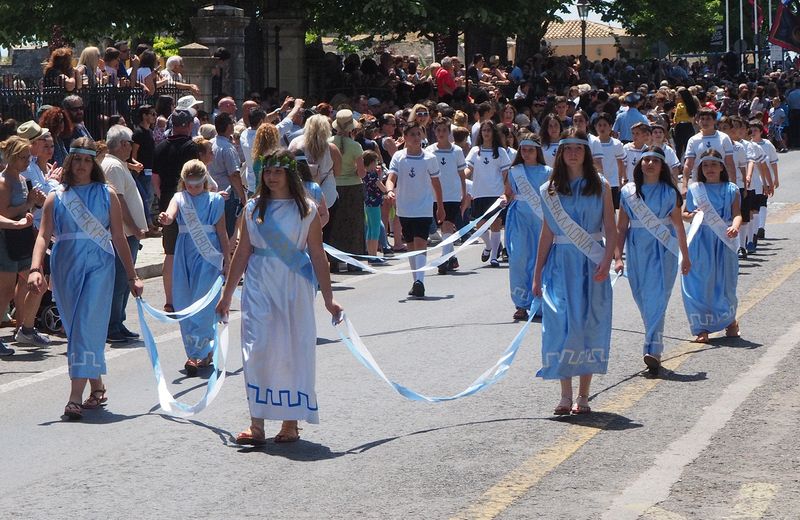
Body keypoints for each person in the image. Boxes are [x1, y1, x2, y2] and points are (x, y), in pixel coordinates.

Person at [215, 149, 342, 445]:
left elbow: (317, 254)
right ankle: (256, 424)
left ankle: (290, 423)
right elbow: (243, 251)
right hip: (259, 282)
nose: (271, 177)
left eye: (277, 171)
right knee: (256, 347)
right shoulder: (253, 208)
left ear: (289, 174)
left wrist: (328, 298)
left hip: (293, 285)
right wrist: (227, 294)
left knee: (292, 348)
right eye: (267, 172)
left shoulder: (306, 209)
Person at [28, 138, 143, 419]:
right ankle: (98, 385)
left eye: (87, 160)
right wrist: (35, 268)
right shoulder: (57, 196)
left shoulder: (107, 194)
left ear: (94, 164)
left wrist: (132, 276)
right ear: (70, 162)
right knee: (76, 327)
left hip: (99, 266)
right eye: (77, 160)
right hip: (66, 265)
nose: (81, 165)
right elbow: (44, 235)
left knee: (85, 325)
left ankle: (74, 397)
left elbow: (118, 236)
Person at [532, 128, 617, 416]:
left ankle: (583, 395)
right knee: (561, 324)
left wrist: (609, 258)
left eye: (578, 148)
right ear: (560, 153)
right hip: (560, 263)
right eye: (567, 148)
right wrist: (536, 273)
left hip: (591, 262)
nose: (572, 153)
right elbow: (546, 232)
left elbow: (610, 226)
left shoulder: (602, 185)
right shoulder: (550, 189)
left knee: (586, 324)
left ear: (586, 152)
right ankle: (565, 395)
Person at [614, 147, 691, 374]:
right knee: (642, 297)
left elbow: (678, 226)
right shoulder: (629, 191)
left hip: (664, 249)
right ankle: (652, 343)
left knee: (658, 296)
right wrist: (618, 257)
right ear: (639, 164)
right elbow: (621, 227)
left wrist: (685, 256)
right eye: (645, 160)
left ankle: (653, 349)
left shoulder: (669, 192)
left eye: (655, 161)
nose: (649, 164)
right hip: (637, 249)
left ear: (662, 166)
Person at [157, 160, 229, 376]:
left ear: (205, 181)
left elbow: (222, 233)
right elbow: (170, 214)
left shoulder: (215, 200)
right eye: (189, 185)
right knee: (184, 303)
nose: (193, 189)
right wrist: (166, 218)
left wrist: (228, 261)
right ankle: (200, 351)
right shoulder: (180, 197)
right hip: (184, 255)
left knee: (203, 303)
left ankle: (195, 355)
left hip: (208, 257)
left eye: (197, 185)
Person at [681, 149, 741, 344]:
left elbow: (737, 213)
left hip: (724, 239)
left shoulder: (731, 189)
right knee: (699, 282)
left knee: (725, 283)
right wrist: (692, 215)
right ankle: (701, 328)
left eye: (714, 164)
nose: (709, 168)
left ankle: (730, 321)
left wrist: (735, 225)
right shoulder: (695, 188)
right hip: (701, 240)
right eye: (705, 165)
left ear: (722, 167)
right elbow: (685, 214)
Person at [385, 121, 445, 298]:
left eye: (419, 134)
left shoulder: (429, 158)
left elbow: (436, 184)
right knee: (411, 245)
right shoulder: (398, 156)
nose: (416, 138)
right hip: (404, 208)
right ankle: (416, 280)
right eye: (412, 134)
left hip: (424, 207)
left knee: (421, 242)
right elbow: (391, 178)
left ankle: (420, 281)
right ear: (405, 137)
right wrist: (389, 190)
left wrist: (440, 206)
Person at [0, 137, 47, 356]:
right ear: (11, 156)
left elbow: (24, 212)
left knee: (38, 284)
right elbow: (4, 213)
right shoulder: (4, 182)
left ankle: (26, 328)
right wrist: (28, 204)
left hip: (22, 239)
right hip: (6, 241)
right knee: (5, 292)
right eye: (24, 157)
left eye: (29, 157)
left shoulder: (20, 178)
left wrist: (35, 203)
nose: (28, 161)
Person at [102, 125, 148, 343]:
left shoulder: (119, 165)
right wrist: (135, 226)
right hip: (124, 234)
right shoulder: (113, 166)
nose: (132, 147)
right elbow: (118, 200)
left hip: (129, 234)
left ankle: (118, 322)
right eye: (130, 143)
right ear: (122, 144)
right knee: (120, 280)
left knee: (123, 281)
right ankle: (112, 325)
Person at [152, 109, 200, 313]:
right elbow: (196, 175)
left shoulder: (161, 146)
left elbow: (155, 179)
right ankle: (192, 295)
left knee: (170, 253)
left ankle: (170, 301)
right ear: (189, 125)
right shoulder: (192, 147)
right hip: (189, 201)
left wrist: (164, 197)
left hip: (167, 202)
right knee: (194, 249)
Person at [505, 134, 550, 321]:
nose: (526, 153)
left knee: (538, 260)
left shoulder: (548, 171)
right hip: (519, 218)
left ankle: (538, 303)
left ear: (537, 151)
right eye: (523, 149)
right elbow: (508, 193)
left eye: (530, 150)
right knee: (518, 259)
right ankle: (521, 304)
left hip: (540, 220)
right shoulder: (515, 170)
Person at [465, 121, 510, 267]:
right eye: (483, 130)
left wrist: (506, 192)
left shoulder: (501, 152)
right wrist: (459, 177)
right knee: (480, 225)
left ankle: (493, 257)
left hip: (496, 193)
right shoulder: (475, 150)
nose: (486, 133)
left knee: (495, 224)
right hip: (479, 193)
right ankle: (489, 246)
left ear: (493, 133)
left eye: (489, 130)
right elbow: (468, 170)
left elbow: (506, 174)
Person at [425, 117, 466, 274]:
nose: (441, 133)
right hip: (434, 195)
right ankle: (451, 257)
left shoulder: (456, 151)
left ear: (449, 133)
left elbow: (462, 174)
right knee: (443, 226)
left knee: (447, 224)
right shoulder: (429, 151)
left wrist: (464, 194)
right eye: (438, 130)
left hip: (452, 194)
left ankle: (443, 259)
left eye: (444, 130)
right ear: (434, 132)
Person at [329, 110, 367, 271]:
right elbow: (361, 172)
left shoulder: (328, 142)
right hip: (352, 186)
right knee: (354, 223)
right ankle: (353, 262)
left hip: (333, 186)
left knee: (334, 224)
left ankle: (334, 261)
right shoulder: (355, 146)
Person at [590, 112, 626, 206]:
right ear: (595, 127)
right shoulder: (593, 142)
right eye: (599, 125)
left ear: (610, 127)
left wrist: (619, 180)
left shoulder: (616, 143)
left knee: (612, 208)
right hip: (597, 182)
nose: (602, 128)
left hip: (613, 182)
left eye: (605, 125)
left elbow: (620, 163)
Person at [361, 151, 387, 263]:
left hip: (367, 203)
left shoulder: (364, 174)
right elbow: (383, 188)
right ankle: (374, 255)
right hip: (375, 204)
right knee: (375, 229)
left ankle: (371, 254)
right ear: (371, 162)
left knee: (370, 229)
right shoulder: (372, 175)